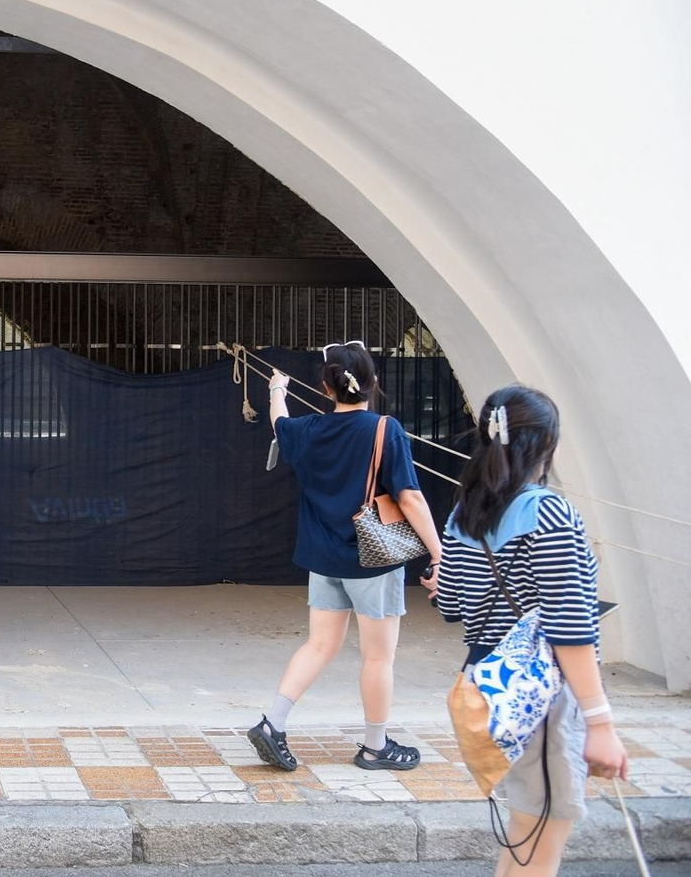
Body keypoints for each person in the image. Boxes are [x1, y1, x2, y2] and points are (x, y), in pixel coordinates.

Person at [433, 386, 626, 877]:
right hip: (539, 696)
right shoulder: (549, 512)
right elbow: (569, 626)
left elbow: (451, 605)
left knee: (525, 836)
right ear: (546, 444)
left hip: (487, 690)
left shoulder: (463, 512)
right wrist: (600, 723)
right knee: (540, 845)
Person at [245, 341, 444, 772]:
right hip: (374, 560)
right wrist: (437, 552)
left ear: (325, 387)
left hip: (324, 559)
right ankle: (375, 747)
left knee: (320, 644)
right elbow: (409, 497)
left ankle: (273, 723)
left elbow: (280, 422)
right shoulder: (384, 429)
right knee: (378, 657)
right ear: (374, 382)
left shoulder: (308, 430)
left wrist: (277, 388)